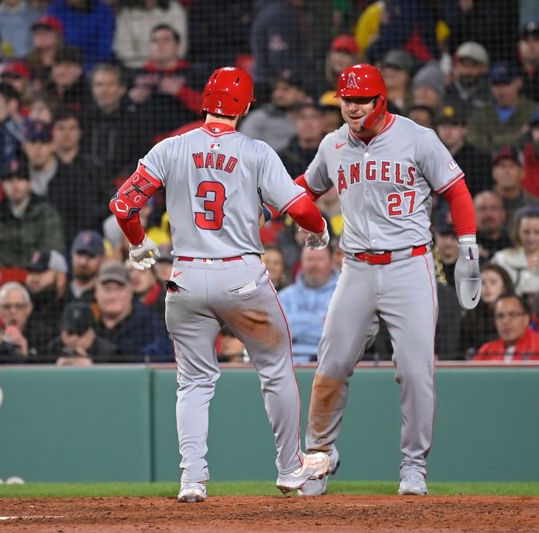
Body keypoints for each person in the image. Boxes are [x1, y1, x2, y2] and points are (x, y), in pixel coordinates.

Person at [108, 66, 332, 501]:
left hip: (186, 276)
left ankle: (192, 479)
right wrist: (320, 230)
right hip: (241, 275)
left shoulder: (170, 148)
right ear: (246, 107)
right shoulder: (256, 151)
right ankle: (290, 469)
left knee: (193, 382)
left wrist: (138, 246)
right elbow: (300, 208)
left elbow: (123, 205)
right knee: (275, 368)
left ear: (204, 101)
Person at [292, 64, 481, 497]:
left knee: (415, 373)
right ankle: (318, 459)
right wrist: (275, 205)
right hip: (356, 267)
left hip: (409, 265)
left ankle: (413, 467)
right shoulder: (333, 143)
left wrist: (468, 246)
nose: (352, 108)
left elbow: (456, 190)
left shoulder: (417, 137)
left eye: (360, 100)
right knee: (332, 366)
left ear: (381, 100)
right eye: (346, 100)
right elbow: (305, 186)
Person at [0, 160, 65, 267]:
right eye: (9, 180)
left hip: (38, 277)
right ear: (2, 185)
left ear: (30, 183)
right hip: (3, 280)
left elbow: (52, 253)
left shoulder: (46, 213)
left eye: (20, 179)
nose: (15, 186)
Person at [278, 245, 339, 364]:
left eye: (320, 259)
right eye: (309, 259)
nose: (314, 265)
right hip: (288, 365)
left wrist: (292, 322)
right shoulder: (284, 297)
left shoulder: (344, 295)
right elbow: (277, 334)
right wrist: (320, 321)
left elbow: (340, 335)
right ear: (301, 262)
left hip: (332, 364)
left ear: (331, 262)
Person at [474, 292, 539, 360]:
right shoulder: (486, 352)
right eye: (500, 316)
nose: (506, 321)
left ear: (526, 319)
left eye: (512, 314)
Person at [459, 263, 515, 357]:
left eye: (493, 282)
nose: (487, 287)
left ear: (504, 287)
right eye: (482, 283)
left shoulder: (516, 313)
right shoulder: (469, 317)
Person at [48, 301, 120, 366]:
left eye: (80, 333)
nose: (75, 338)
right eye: (70, 332)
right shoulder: (52, 349)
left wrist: (92, 369)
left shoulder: (108, 353)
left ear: (92, 333)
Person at [67, 230, 106, 304]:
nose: (83, 262)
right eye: (79, 255)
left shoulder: (105, 297)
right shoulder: (61, 293)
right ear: (71, 255)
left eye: (91, 256)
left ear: (102, 259)